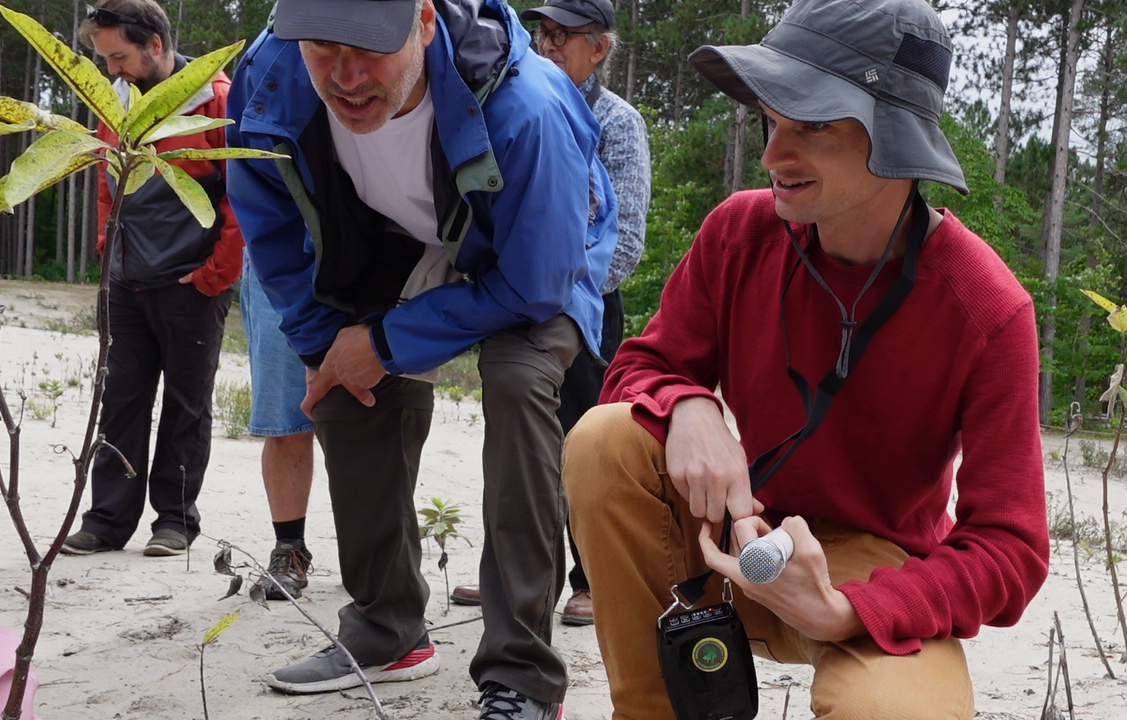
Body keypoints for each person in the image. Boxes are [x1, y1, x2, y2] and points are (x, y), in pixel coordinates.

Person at [561, 0, 1050, 717]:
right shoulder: (739, 232)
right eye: (773, 120)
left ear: (896, 136)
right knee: (604, 440)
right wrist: (689, 404)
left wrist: (850, 611)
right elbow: (638, 368)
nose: (772, 155)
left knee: (895, 714)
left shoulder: (986, 308)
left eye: (813, 124)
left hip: (869, 572)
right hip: (726, 538)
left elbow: (1011, 546)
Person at [225, 0, 617, 717]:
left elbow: (535, 284)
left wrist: (385, 342)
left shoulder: (526, 106)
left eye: (369, 48)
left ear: (426, 22)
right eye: (323, 47)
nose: (345, 77)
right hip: (394, 234)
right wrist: (328, 348)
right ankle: (388, 630)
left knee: (518, 380)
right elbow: (271, 225)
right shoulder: (268, 76)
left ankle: (523, 675)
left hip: (537, 250)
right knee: (344, 385)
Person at [451, 0, 651, 627]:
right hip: (515, 297)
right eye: (542, 31)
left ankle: (590, 579)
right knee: (514, 441)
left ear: (601, 47)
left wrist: (558, 293)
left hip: (585, 308)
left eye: (564, 35)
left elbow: (625, 239)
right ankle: (511, 573)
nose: (547, 44)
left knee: (583, 444)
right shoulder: (514, 99)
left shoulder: (617, 121)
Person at [63, 0, 242, 558]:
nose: (111, 69)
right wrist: (106, 248)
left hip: (192, 284)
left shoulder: (217, 99)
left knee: (187, 405)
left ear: (156, 45)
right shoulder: (114, 104)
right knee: (120, 400)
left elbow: (243, 197)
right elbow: (106, 182)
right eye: (105, 59)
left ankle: (174, 521)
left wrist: (215, 276)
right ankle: (106, 521)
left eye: (119, 57)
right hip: (126, 282)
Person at [240, 259, 316, 600]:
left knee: (362, 419)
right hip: (279, 262)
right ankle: (289, 549)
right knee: (284, 419)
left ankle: (369, 552)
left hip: (364, 251)